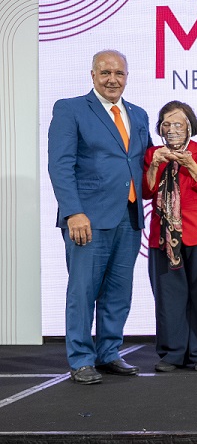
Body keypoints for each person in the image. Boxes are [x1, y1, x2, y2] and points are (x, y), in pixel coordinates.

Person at [47, 50, 150, 385]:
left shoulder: (138, 114)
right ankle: (80, 359)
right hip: (87, 219)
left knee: (119, 292)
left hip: (129, 217)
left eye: (119, 73)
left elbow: (141, 162)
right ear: (92, 75)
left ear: (127, 77)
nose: (112, 80)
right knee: (83, 292)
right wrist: (74, 211)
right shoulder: (71, 109)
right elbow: (60, 165)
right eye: (105, 73)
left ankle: (108, 352)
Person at [144, 101, 197, 372]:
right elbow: (146, 192)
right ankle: (172, 353)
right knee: (168, 297)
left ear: (190, 126)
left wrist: (192, 166)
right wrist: (153, 166)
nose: (172, 129)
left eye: (178, 124)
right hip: (164, 236)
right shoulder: (153, 154)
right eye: (166, 124)